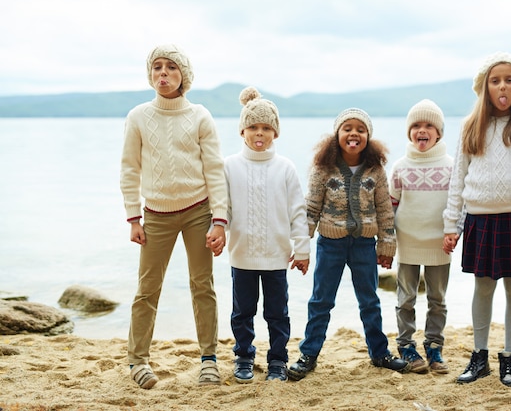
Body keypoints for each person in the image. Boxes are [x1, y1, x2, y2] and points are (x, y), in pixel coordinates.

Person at [120, 44, 228, 389]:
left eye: (170, 68)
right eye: (156, 68)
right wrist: (133, 217)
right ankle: (138, 360)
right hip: (156, 215)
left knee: (202, 286)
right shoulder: (138, 116)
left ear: (184, 76)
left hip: (198, 211)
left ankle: (209, 360)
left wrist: (220, 220)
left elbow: (214, 169)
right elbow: (129, 169)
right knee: (147, 289)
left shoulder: (200, 116)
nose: (162, 73)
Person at [442, 52, 511, 388]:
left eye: (509, 79)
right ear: (484, 87)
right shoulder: (470, 126)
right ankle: (480, 357)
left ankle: (510, 358)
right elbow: (457, 179)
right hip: (480, 220)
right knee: (483, 287)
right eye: (495, 80)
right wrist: (452, 225)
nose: (502, 85)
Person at [287, 108, 409, 381]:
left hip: (365, 244)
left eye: (361, 130)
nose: (354, 133)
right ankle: (309, 354)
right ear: (337, 135)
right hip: (330, 244)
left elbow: (384, 210)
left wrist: (386, 247)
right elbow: (311, 208)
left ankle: (379, 353)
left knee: (369, 301)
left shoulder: (375, 170)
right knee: (321, 301)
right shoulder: (323, 168)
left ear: (368, 137)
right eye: (347, 128)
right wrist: (301, 247)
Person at [224, 86, 310, 383]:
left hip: (276, 257)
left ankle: (277, 360)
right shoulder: (230, 166)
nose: (259, 134)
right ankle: (244, 356)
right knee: (242, 313)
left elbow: (298, 212)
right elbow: (224, 208)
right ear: (242, 131)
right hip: (242, 255)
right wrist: (218, 231)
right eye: (252, 127)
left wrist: (302, 250)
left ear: (275, 133)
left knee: (277, 314)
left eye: (265, 128)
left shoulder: (285, 168)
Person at [389, 99, 454, 374]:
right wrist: (388, 241)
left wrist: (454, 232)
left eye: (429, 125)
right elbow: (390, 207)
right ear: (409, 132)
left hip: (440, 243)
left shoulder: (452, 166)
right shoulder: (400, 166)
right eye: (416, 125)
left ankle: (434, 346)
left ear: (439, 132)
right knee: (406, 298)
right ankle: (406, 345)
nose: (422, 130)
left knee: (437, 299)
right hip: (408, 242)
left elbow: (456, 206)